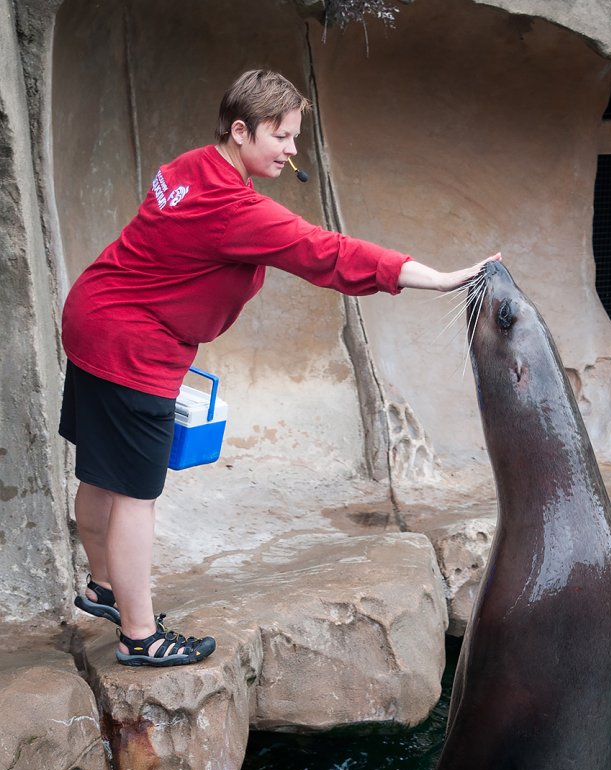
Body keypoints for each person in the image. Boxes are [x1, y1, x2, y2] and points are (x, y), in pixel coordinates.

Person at [60, 69, 501, 668]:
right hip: (131, 347)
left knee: (101, 472)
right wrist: (439, 278)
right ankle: (140, 637)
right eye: (282, 136)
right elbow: (332, 255)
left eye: (295, 137)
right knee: (136, 494)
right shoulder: (236, 209)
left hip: (93, 316)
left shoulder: (187, 167)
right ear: (240, 130)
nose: (293, 150)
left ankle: (103, 587)